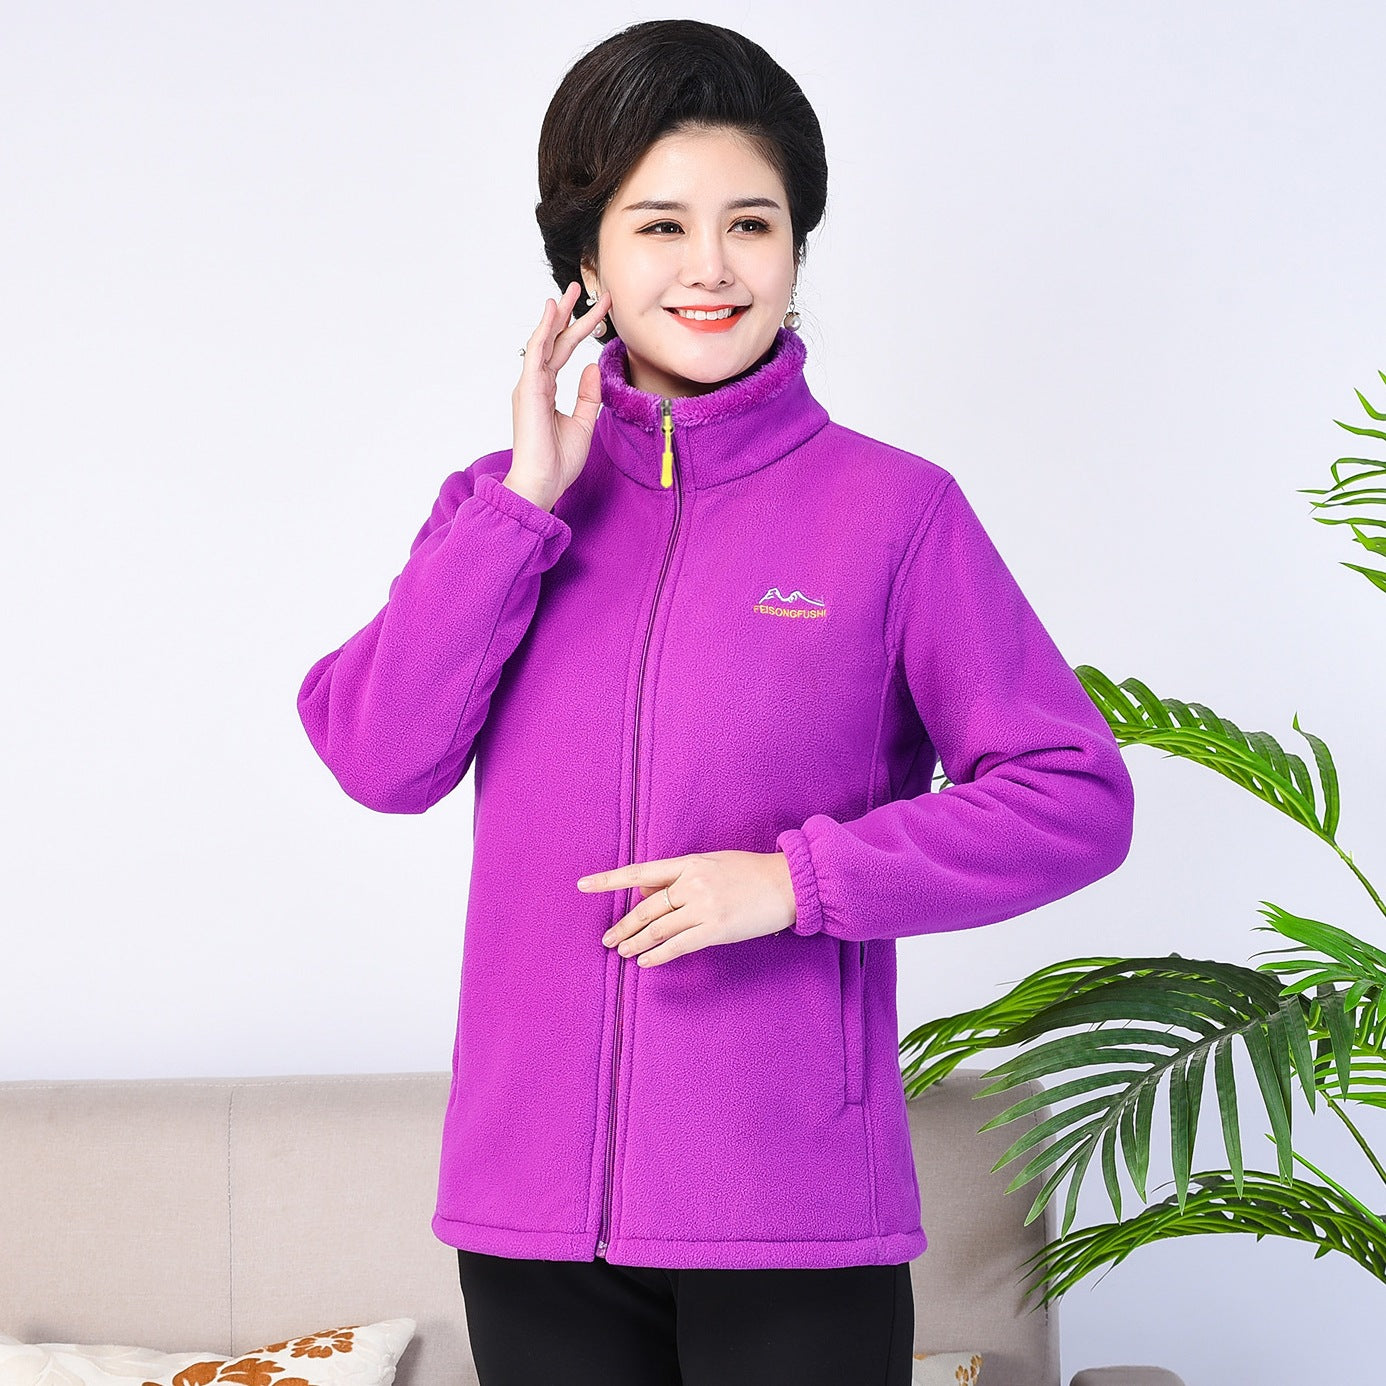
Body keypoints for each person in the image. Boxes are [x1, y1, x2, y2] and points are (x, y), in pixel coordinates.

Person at [296, 18, 1135, 1386]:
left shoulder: (894, 514)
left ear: (796, 249)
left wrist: (793, 881)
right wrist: (524, 504)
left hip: (792, 1212)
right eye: (659, 226)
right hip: (532, 1214)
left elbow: (1072, 796)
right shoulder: (498, 512)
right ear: (583, 263)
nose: (710, 266)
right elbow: (380, 757)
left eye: (752, 223)